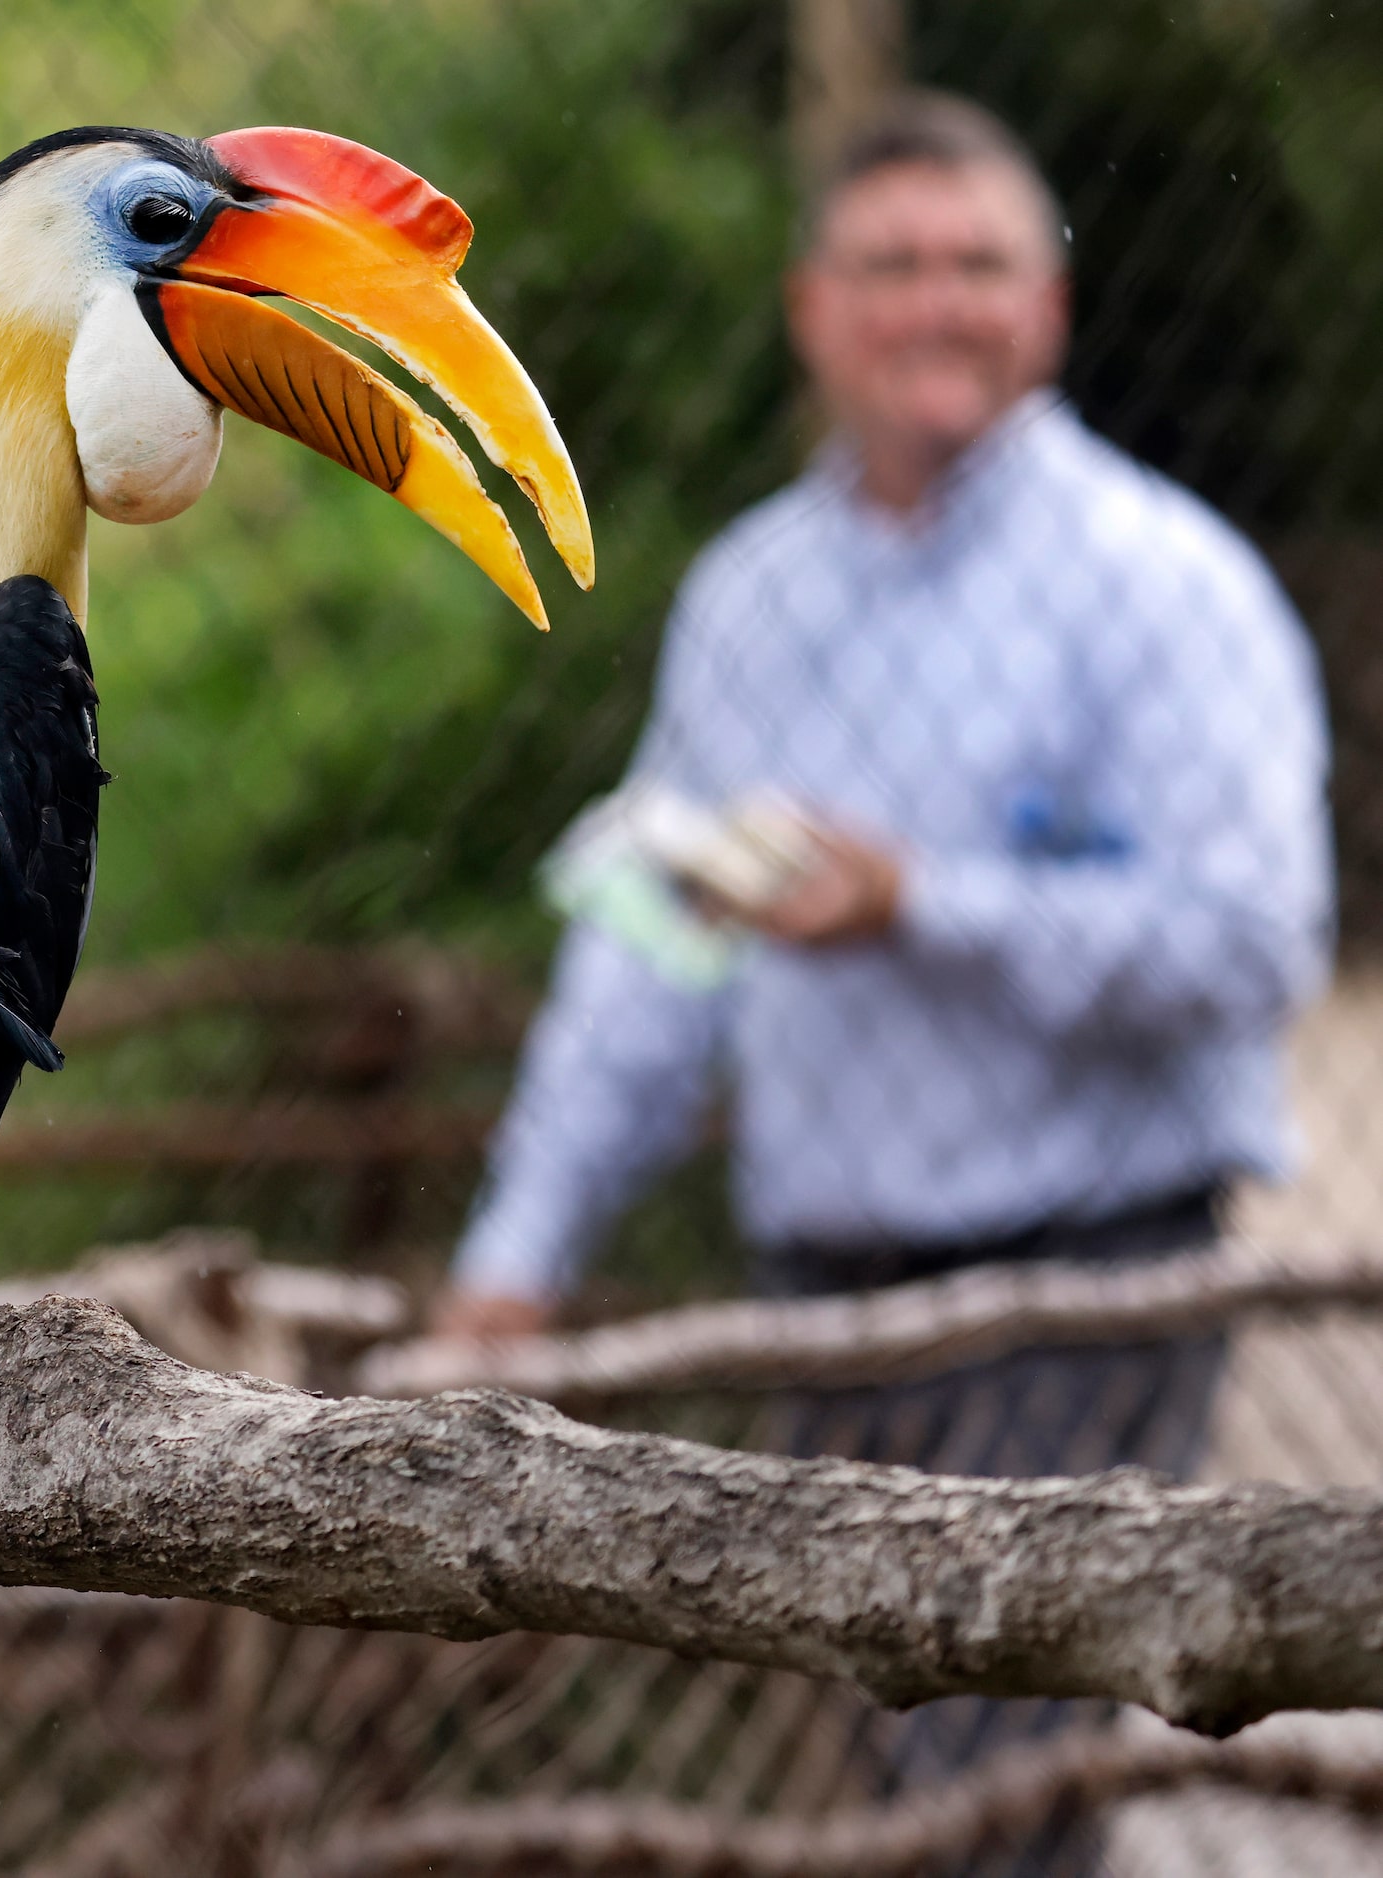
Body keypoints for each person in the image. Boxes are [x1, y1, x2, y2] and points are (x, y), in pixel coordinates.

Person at [436, 92, 1330, 1856]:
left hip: (1088, 1277)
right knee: (927, 1760)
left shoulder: (1165, 588)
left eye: (981, 263)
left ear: (1051, 308)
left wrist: (924, 904)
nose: (939, 301)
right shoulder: (749, 601)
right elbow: (644, 953)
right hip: (828, 1295)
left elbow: (1255, 943)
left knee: (982, 1786)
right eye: (893, 263)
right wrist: (512, 1265)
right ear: (813, 310)